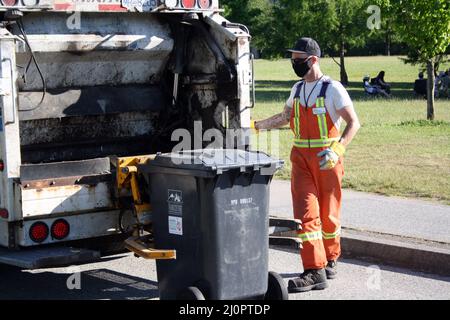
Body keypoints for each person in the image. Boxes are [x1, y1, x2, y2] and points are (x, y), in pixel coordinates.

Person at [251, 38, 360, 292]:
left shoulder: (333, 89)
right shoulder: (297, 89)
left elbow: (354, 122)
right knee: (306, 214)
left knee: (329, 214)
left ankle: (331, 258)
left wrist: (338, 148)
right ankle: (314, 269)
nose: (294, 63)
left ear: (313, 60)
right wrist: (257, 126)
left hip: (327, 160)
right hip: (300, 159)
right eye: (293, 59)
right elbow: (285, 117)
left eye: (298, 59)